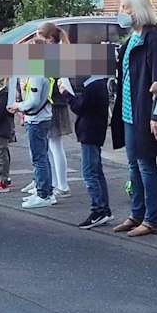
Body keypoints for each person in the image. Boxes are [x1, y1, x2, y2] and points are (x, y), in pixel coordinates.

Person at [109, 0, 157, 237]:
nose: (122, 12)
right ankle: (137, 214)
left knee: (146, 166)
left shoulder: (152, 37)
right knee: (133, 165)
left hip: (144, 112)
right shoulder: (132, 38)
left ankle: (151, 219)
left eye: (125, 7)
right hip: (128, 112)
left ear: (138, 9)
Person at [14, 37, 57, 210]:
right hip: (39, 118)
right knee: (41, 156)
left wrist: (18, 106)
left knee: (39, 158)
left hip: (37, 119)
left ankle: (43, 194)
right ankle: (44, 190)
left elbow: (33, 101)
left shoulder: (38, 73)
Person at [72, 65, 113, 228]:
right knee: (97, 171)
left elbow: (79, 107)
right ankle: (104, 208)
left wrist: (68, 95)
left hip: (89, 132)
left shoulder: (92, 86)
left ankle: (99, 209)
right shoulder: (98, 84)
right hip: (94, 132)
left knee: (89, 172)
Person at [34, 22, 72, 199]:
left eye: (40, 39)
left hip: (55, 103)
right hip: (55, 102)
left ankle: (61, 184)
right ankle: (56, 182)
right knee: (51, 145)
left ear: (49, 39)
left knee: (54, 145)